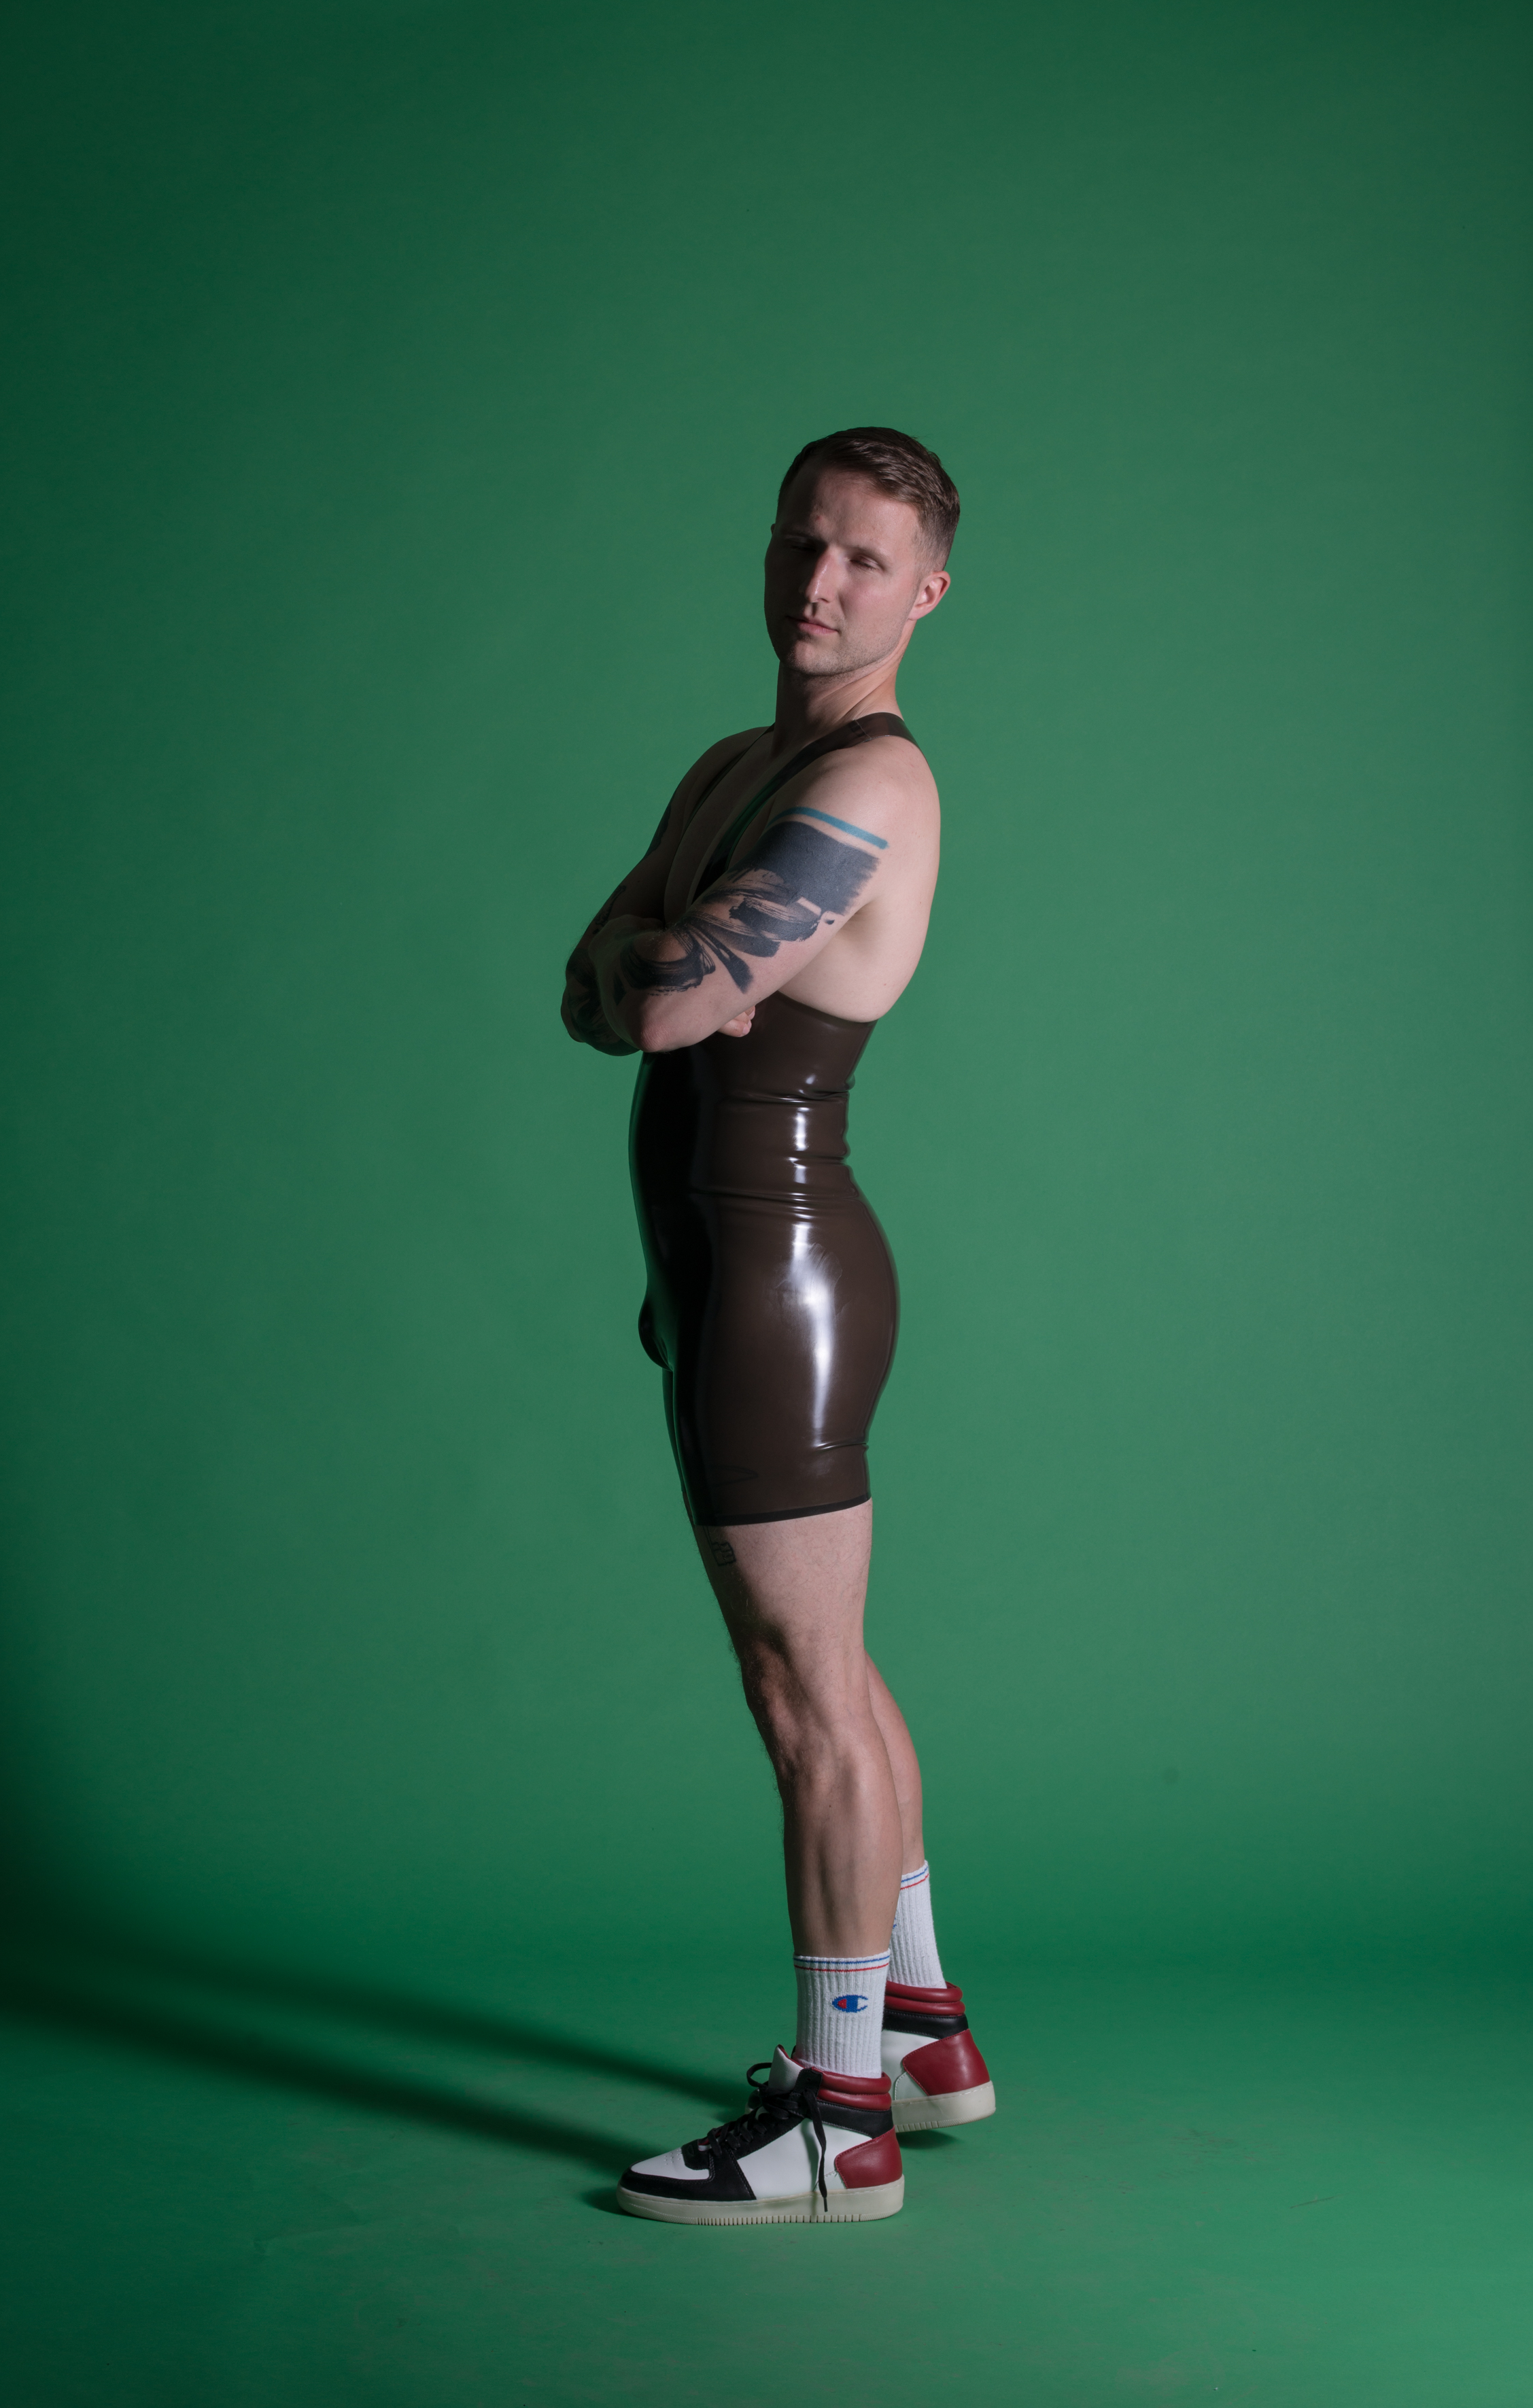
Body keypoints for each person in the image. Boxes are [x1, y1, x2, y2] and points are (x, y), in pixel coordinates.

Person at [561, 427, 992, 2224]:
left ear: (926, 592)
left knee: (802, 1697)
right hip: (714, 1272)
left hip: (782, 1272)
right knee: (829, 1667)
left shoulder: (876, 782)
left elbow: (661, 997)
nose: (819, 584)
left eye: (864, 560)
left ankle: (839, 2121)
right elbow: (588, 977)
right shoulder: (734, 766)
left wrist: (665, 955)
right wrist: (655, 957)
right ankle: (927, 2032)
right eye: (801, 542)